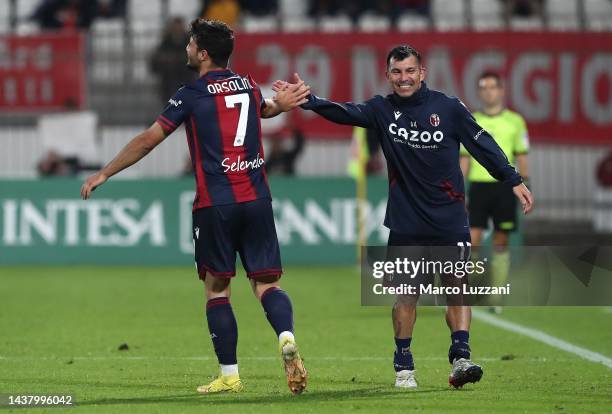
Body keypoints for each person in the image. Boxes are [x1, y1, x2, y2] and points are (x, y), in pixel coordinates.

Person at [273, 45, 533, 389]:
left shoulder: (449, 108)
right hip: (407, 221)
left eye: (410, 71)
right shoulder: (382, 110)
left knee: (457, 288)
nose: (404, 78)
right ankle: (404, 364)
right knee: (407, 295)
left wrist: (512, 178)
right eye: (396, 72)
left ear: (422, 73)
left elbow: (481, 144)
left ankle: (461, 356)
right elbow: (344, 112)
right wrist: (309, 100)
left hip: (450, 217)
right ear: (388, 76)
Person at [81, 19, 311, 395]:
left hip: (215, 204)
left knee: (217, 290)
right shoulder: (248, 85)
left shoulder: (190, 95)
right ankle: (285, 334)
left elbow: (148, 140)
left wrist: (105, 172)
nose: (186, 49)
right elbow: (261, 109)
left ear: (203, 53)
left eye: (190, 44)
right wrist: (281, 105)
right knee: (267, 283)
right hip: (256, 199)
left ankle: (230, 375)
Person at [460, 72, 529, 311]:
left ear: (501, 91)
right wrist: (459, 189)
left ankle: (495, 297)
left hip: (504, 189)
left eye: (492, 87)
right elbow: (464, 158)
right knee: (472, 242)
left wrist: (524, 185)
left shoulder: (516, 121)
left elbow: (521, 155)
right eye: (484, 87)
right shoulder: (471, 120)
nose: (488, 91)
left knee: (501, 241)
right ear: (480, 92)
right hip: (478, 187)